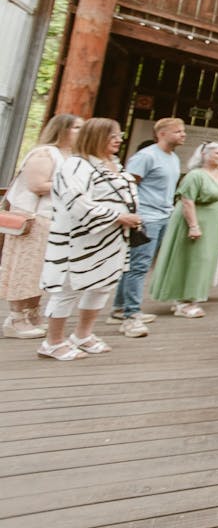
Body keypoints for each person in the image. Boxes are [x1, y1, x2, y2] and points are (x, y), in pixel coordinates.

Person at [38, 118, 142, 360]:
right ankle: (53, 341)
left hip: (112, 239)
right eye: (112, 135)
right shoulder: (76, 165)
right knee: (68, 288)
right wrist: (118, 216)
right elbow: (76, 202)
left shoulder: (113, 164)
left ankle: (82, 334)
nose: (118, 139)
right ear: (95, 137)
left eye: (119, 134)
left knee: (102, 286)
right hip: (80, 239)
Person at [1, 114, 81, 339]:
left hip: (57, 220)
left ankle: (32, 313)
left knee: (44, 272)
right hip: (35, 219)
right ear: (62, 130)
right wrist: (73, 185)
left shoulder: (73, 156)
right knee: (25, 269)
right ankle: (15, 318)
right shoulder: (45, 153)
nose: (80, 131)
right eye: (76, 127)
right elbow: (36, 185)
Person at [110, 117, 187, 337]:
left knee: (137, 264)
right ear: (162, 133)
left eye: (183, 131)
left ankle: (119, 307)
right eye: (178, 131)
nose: (183, 135)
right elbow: (127, 186)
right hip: (146, 218)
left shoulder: (172, 157)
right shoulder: (146, 156)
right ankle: (131, 314)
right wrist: (134, 216)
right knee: (139, 266)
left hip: (163, 215)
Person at [148, 142, 218, 318]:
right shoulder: (195, 176)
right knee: (191, 258)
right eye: (216, 153)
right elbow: (187, 201)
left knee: (205, 259)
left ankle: (191, 297)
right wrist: (194, 226)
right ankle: (183, 301)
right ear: (204, 155)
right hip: (195, 221)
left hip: (213, 224)